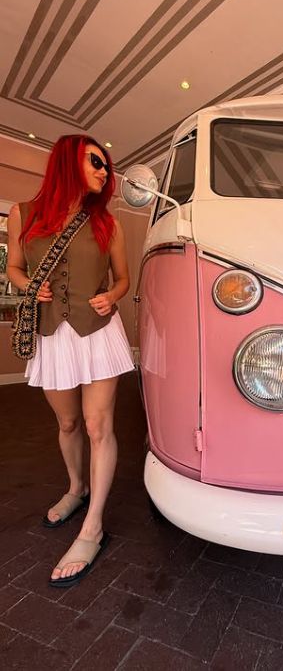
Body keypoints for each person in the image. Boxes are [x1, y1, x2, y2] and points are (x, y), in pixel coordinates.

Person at [7, 134, 135, 587]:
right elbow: (14, 268)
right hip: (51, 335)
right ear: (67, 160)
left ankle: (93, 525)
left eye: (107, 166)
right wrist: (27, 287)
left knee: (99, 426)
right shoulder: (24, 212)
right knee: (67, 424)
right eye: (96, 162)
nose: (105, 171)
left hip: (98, 334)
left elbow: (123, 279)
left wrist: (111, 295)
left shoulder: (109, 224)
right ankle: (76, 489)